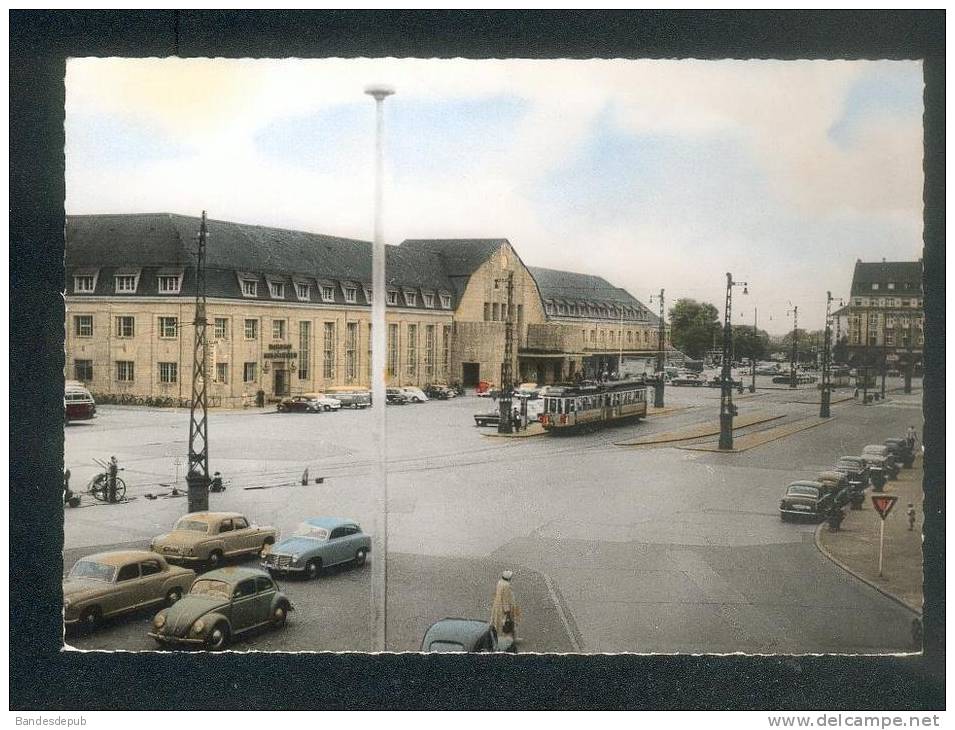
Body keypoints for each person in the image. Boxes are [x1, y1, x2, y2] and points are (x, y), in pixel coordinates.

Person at [490, 569, 520, 644]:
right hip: (503, 608)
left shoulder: (500, 582)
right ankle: (509, 639)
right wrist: (507, 610)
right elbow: (506, 599)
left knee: (497, 623)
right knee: (507, 623)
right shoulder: (506, 585)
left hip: (497, 606)